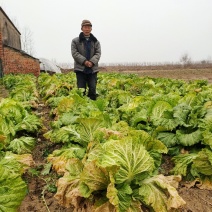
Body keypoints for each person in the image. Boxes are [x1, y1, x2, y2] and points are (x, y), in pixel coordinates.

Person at [71, 19, 101, 100]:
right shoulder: (75, 41)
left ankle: (92, 107)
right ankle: (82, 108)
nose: (87, 29)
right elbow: (75, 53)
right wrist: (84, 61)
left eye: (89, 27)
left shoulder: (96, 42)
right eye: (85, 27)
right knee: (81, 90)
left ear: (91, 29)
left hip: (92, 69)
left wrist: (91, 62)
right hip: (80, 69)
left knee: (92, 89)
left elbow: (98, 53)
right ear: (82, 28)